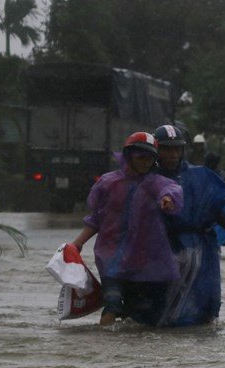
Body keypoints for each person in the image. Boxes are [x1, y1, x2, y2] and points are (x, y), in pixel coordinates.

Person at [71, 132, 183, 326]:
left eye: (150, 158)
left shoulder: (156, 184)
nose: (145, 163)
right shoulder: (108, 183)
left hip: (145, 263)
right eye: (141, 158)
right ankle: (102, 349)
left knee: (140, 315)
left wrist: (167, 199)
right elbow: (96, 218)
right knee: (112, 305)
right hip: (111, 259)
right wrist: (77, 243)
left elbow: (171, 190)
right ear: (129, 156)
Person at [152, 124, 225, 326]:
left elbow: (214, 207)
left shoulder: (199, 175)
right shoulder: (147, 178)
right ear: (156, 150)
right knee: (162, 299)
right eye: (166, 149)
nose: (172, 154)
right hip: (164, 246)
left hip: (202, 247)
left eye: (176, 148)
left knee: (206, 297)